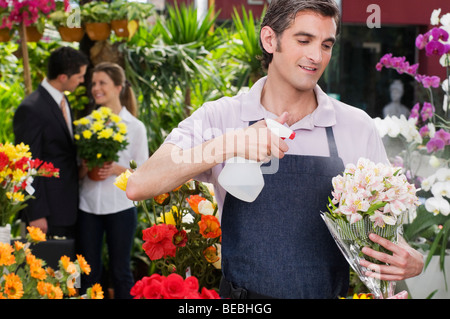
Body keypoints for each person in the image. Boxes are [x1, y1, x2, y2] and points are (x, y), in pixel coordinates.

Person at [126, 0, 424, 299]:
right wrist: (230, 144)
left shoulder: (356, 126)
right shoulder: (221, 116)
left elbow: (386, 231)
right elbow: (140, 184)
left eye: (326, 45)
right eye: (304, 40)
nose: (316, 56)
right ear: (270, 39)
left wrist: (412, 259)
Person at [77, 62, 149, 299]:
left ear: (118, 87)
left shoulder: (135, 127)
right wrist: (87, 170)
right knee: (89, 272)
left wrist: (117, 169)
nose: (95, 88)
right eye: (93, 83)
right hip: (87, 206)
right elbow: (76, 170)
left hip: (120, 207)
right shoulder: (86, 124)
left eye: (102, 83)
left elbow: (143, 172)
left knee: (121, 272)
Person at [13, 46, 89, 238]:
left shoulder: (63, 100)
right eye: (79, 76)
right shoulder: (31, 109)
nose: (82, 81)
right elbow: (28, 164)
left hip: (67, 207)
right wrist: (37, 213)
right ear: (63, 77)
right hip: (47, 214)